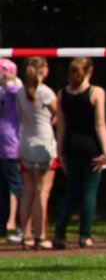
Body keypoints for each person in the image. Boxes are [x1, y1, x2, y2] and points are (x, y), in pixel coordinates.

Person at [53, 58, 106, 248]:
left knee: (71, 190)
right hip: (91, 146)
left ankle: (59, 234)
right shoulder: (97, 92)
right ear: (90, 71)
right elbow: (100, 123)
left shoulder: (62, 93)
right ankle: (85, 235)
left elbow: (61, 127)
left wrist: (60, 151)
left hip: (71, 146)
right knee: (89, 190)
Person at [16, 57, 58, 249]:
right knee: (42, 192)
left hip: (25, 144)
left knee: (28, 192)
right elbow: (59, 116)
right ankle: (40, 235)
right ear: (43, 70)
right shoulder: (46, 93)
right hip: (44, 145)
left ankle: (26, 235)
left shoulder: (20, 92)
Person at [0, 58, 23, 243]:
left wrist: (8, 81)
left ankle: (25, 227)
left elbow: (19, 92)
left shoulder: (14, 91)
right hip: (3, 148)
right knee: (2, 191)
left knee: (18, 188)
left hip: (11, 147)